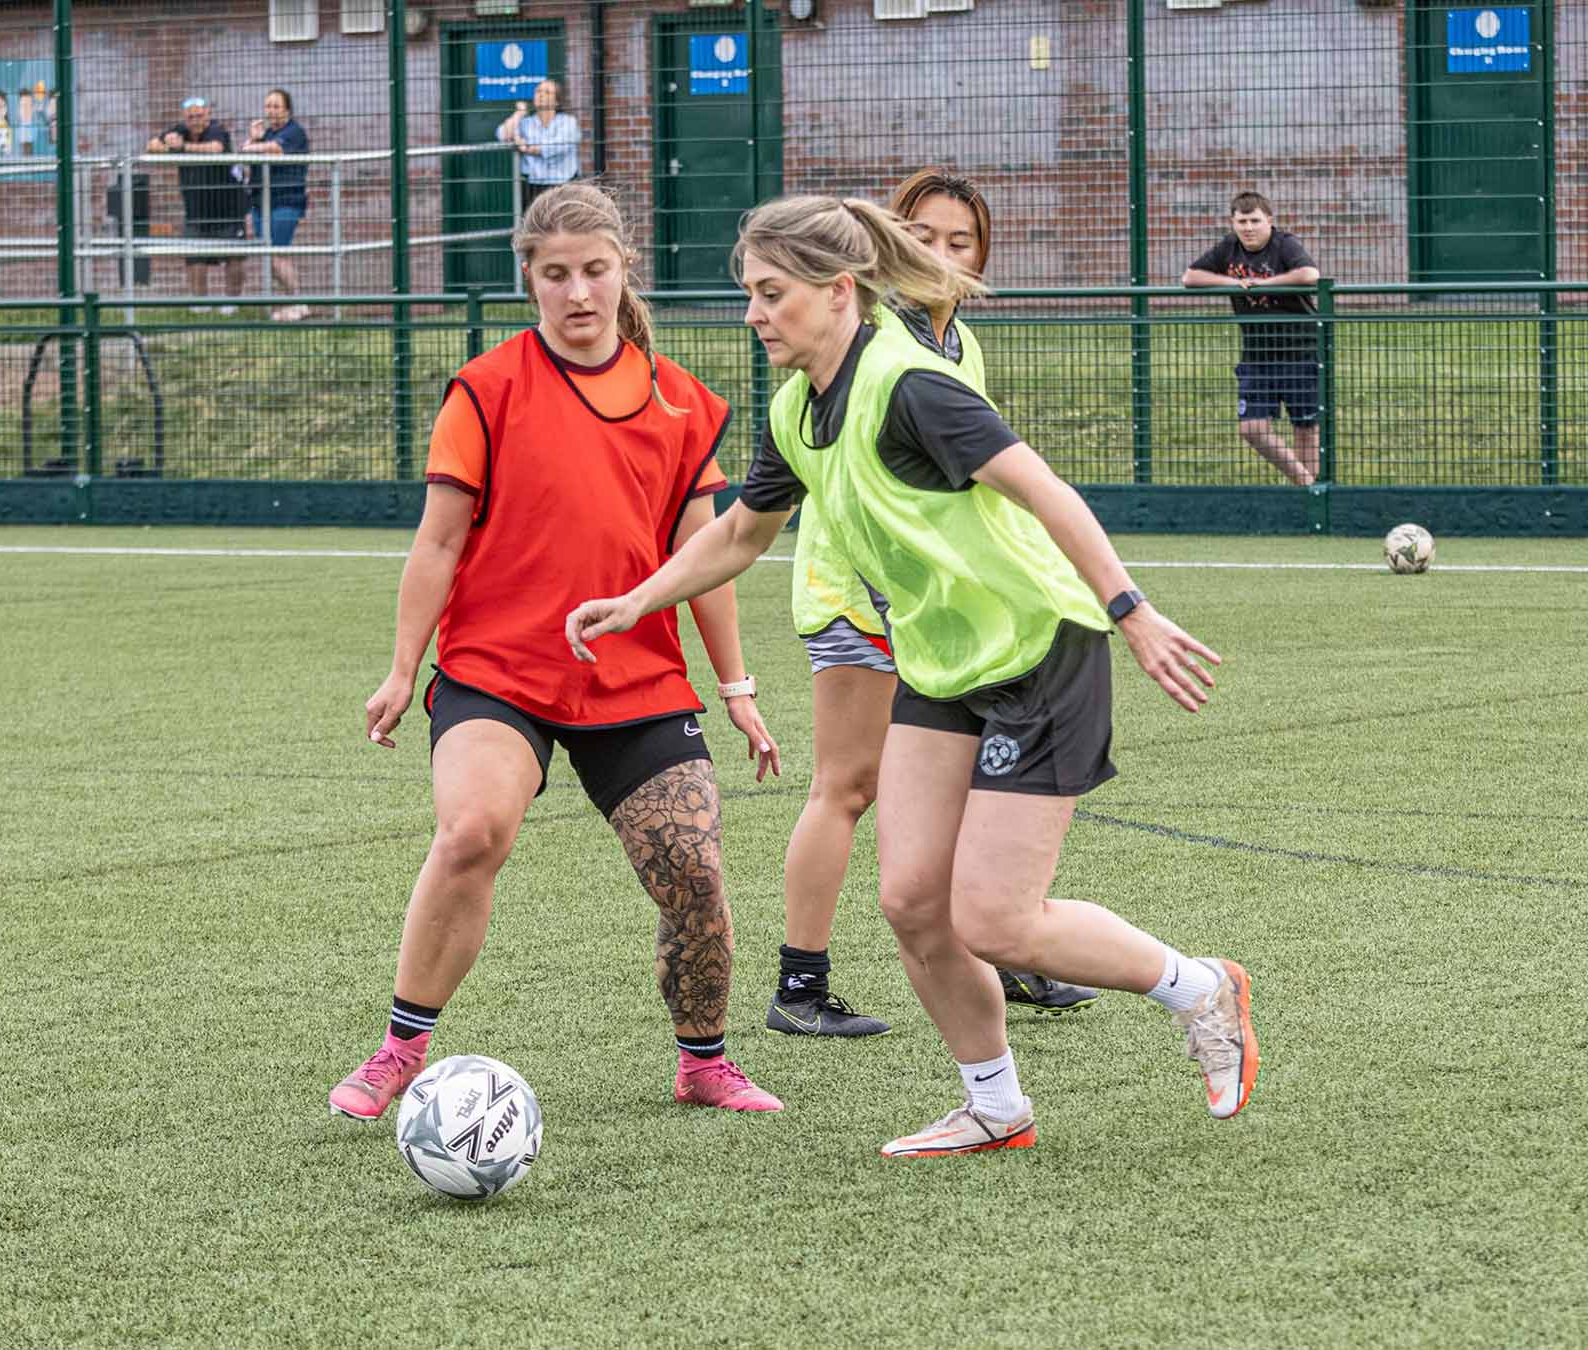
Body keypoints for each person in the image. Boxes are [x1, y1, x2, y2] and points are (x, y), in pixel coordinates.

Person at [566, 194, 1261, 1157]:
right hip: (941, 664)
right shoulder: (796, 406)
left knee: (998, 918)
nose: (754, 315)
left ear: (837, 291)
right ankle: (995, 1107)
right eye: (750, 295)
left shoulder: (910, 386)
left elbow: (1044, 488)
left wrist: (1130, 611)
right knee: (911, 903)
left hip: (1038, 651)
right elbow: (739, 533)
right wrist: (640, 601)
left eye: (771, 295)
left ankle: (1202, 988)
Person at [328, 183, 786, 1124]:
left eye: (595, 270)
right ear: (528, 280)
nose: (578, 293)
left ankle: (704, 1062)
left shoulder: (682, 402)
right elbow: (439, 542)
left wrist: (735, 687)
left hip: (638, 677)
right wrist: (402, 666)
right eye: (555, 275)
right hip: (498, 672)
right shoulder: (486, 389)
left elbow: (705, 561)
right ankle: (399, 1051)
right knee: (472, 833)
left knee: (693, 873)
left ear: (625, 271)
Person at [766, 168, 1098, 1041]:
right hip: (861, 596)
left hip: (939, 609)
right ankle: (801, 982)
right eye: (924, 235)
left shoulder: (961, 345)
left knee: (970, 780)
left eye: (961, 241)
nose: (940, 255)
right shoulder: (868, 335)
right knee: (847, 785)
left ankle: (1006, 943)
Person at [1181, 191, 1323, 486]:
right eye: (1242, 221)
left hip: (1300, 349)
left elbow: (1310, 274)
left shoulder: (1285, 243)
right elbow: (1190, 277)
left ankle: (1311, 502)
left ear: (1269, 220)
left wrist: (1264, 284)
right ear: (1233, 223)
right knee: (1252, 429)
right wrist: (1234, 283)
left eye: (1255, 220)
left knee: (1306, 428)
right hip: (1257, 354)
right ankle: (1308, 485)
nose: (1248, 227)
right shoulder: (1229, 247)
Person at [146, 97, 245, 311]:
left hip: (228, 207)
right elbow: (151, 145)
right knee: (194, 256)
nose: (195, 120)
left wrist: (182, 148)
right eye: (191, 116)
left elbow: (216, 149)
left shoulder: (218, 130)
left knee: (234, 255)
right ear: (185, 118)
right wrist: (169, 146)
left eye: (199, 115)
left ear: (208, 114)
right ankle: (201, 303)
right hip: (196, 208)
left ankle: (232, 303)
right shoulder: (179, 130)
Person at [241, 88, 311, 321]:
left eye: (276, 106)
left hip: (285, 202)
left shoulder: (294, 132)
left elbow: (276, 149)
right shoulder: (267, 133)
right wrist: (254, 139)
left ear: (287, 110)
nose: (271, 111)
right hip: (261, 203)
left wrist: (253, 145)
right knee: (270, 255)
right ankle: (286, 304)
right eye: (268, 106)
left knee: (278, 253)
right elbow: (248, 157)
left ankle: (298, 302)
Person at [496, 79, 581, 206]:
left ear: (557, 101)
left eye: (547, 92)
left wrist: (524, 147)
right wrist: (519, 114)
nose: (541, 95)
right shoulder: (527, 122)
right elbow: (503, 134)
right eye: (538, 91)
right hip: (534, 187)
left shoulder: (568, 122)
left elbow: (554, 148)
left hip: (563, 185)